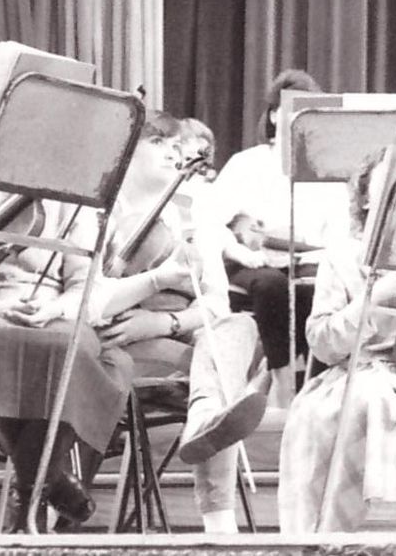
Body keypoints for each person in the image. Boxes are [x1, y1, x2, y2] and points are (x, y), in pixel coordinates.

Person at [0, 157, 191, 530]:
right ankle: (46, 483)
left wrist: (57, 307)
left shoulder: (74, 197)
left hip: (55, 314)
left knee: (71, 349)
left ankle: (27, 496)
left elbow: (86, 282)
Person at [93, 109, 269, 533]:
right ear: (125, 152)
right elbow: (92, 298)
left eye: (175, 146)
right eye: (157, 142)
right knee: (224, 377)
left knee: (240, 327)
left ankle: (206, 412)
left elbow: (216, 304)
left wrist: (164, 323)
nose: (172, 153)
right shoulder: (101, 213)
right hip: (116, 346)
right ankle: (218, 520)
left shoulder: (193, 220)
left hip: (173, 339)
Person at [278, 146, 396, 532]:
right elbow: (321, 341)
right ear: (364, 197)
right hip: (354, 371)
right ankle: (345, 533)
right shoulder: (342, 255)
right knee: (361, 402)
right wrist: (370, 300)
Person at [196, 68, 346, 407]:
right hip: (253, 260)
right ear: (275, 115)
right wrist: (239, 251)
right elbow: (209, 220)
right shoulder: (247, 163)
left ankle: (317, 382)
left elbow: (338, 232)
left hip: (308, 260)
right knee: (271, 286)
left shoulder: (327, 170)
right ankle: (281, 380)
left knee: (322, 289)